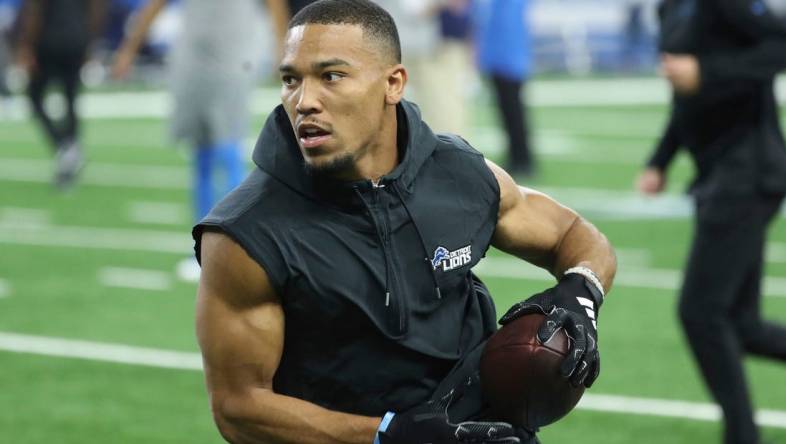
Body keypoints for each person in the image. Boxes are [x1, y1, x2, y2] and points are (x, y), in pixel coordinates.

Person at [194, 1, 616, 443]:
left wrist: (579, 296)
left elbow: (575, 237)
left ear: (393, 83)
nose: (304, 101)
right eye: (290, 79)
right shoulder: (245, 232)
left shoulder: (460, 173)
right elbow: (238, 407)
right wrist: (389, 435)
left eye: (331, 76)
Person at [636, 1, 786, 443]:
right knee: (742, 326)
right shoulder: (667, 8)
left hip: (749, 172)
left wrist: (709, 71)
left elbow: (782, 45)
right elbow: (684, 94)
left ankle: (742, 435)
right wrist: (660, 160)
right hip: (716, 175)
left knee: (701, 313)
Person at [112, 0, 287, 279]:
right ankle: (204, 249)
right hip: (193, 54)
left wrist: (282, 50)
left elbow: (275, 5)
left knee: (229, 151)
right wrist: (128, 49)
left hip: (235, 53)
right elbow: (155, 5)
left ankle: (242, 247)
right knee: (201, 155)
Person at [16, 0, 104, 189]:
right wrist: (90, 39)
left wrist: (27, 46)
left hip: (49, 41)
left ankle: (64, 146)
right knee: (70, 99)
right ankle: (70, 149)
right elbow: (96, 8)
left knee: (34, 97)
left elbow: (35, 10)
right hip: (77, 38)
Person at [472, 0, 534, 178]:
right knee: (507, 113)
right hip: (500, 58)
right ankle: (517, 157)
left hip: (508, 59)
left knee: (514, 113)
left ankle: (522, 159)